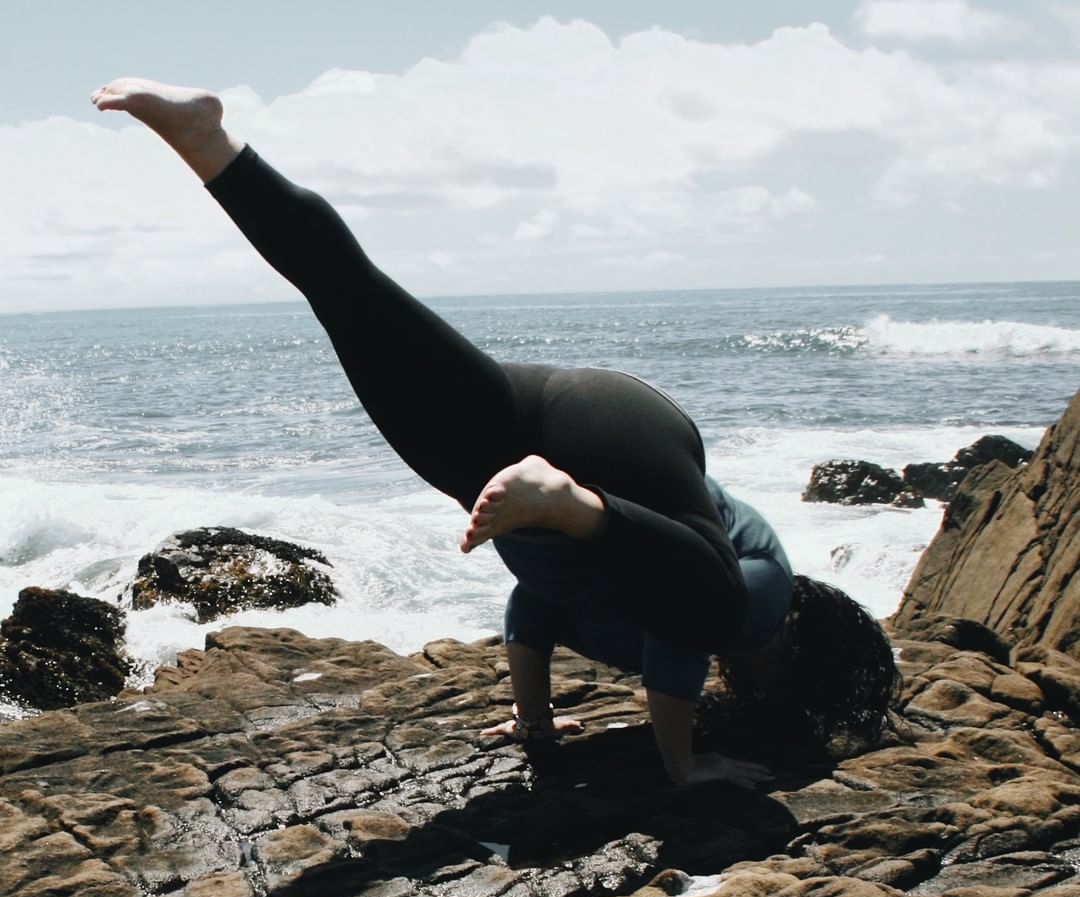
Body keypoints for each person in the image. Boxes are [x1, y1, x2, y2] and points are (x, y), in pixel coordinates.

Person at [91, 78, 900, 789]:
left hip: (537, 442)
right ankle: (572, 502)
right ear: (803, 656)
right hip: (616, 437)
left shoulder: (622, 611)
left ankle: (209, 141)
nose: (756, 682)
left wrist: (535, 724)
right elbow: (688, 634)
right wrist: (683, 765)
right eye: (784, 683)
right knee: (709, 600)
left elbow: (533, 609)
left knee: (347, 299)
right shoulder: (769, 597)